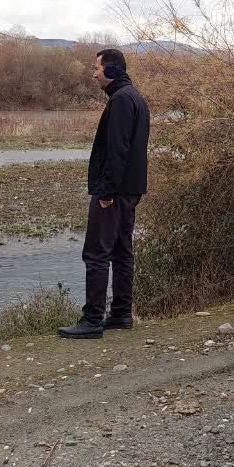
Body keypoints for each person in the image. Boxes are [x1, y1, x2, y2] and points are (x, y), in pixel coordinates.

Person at [58, 48, 150, 339]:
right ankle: (121, 313)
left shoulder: (121, 100)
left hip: (114, 191)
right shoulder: (135, 97)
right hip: (130, 189)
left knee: (97, 252)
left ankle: (92, 320)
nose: (94, 74)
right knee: (122, 250)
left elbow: (117, 150)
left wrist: (106, 192)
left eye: (96, 68)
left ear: (111, 70)